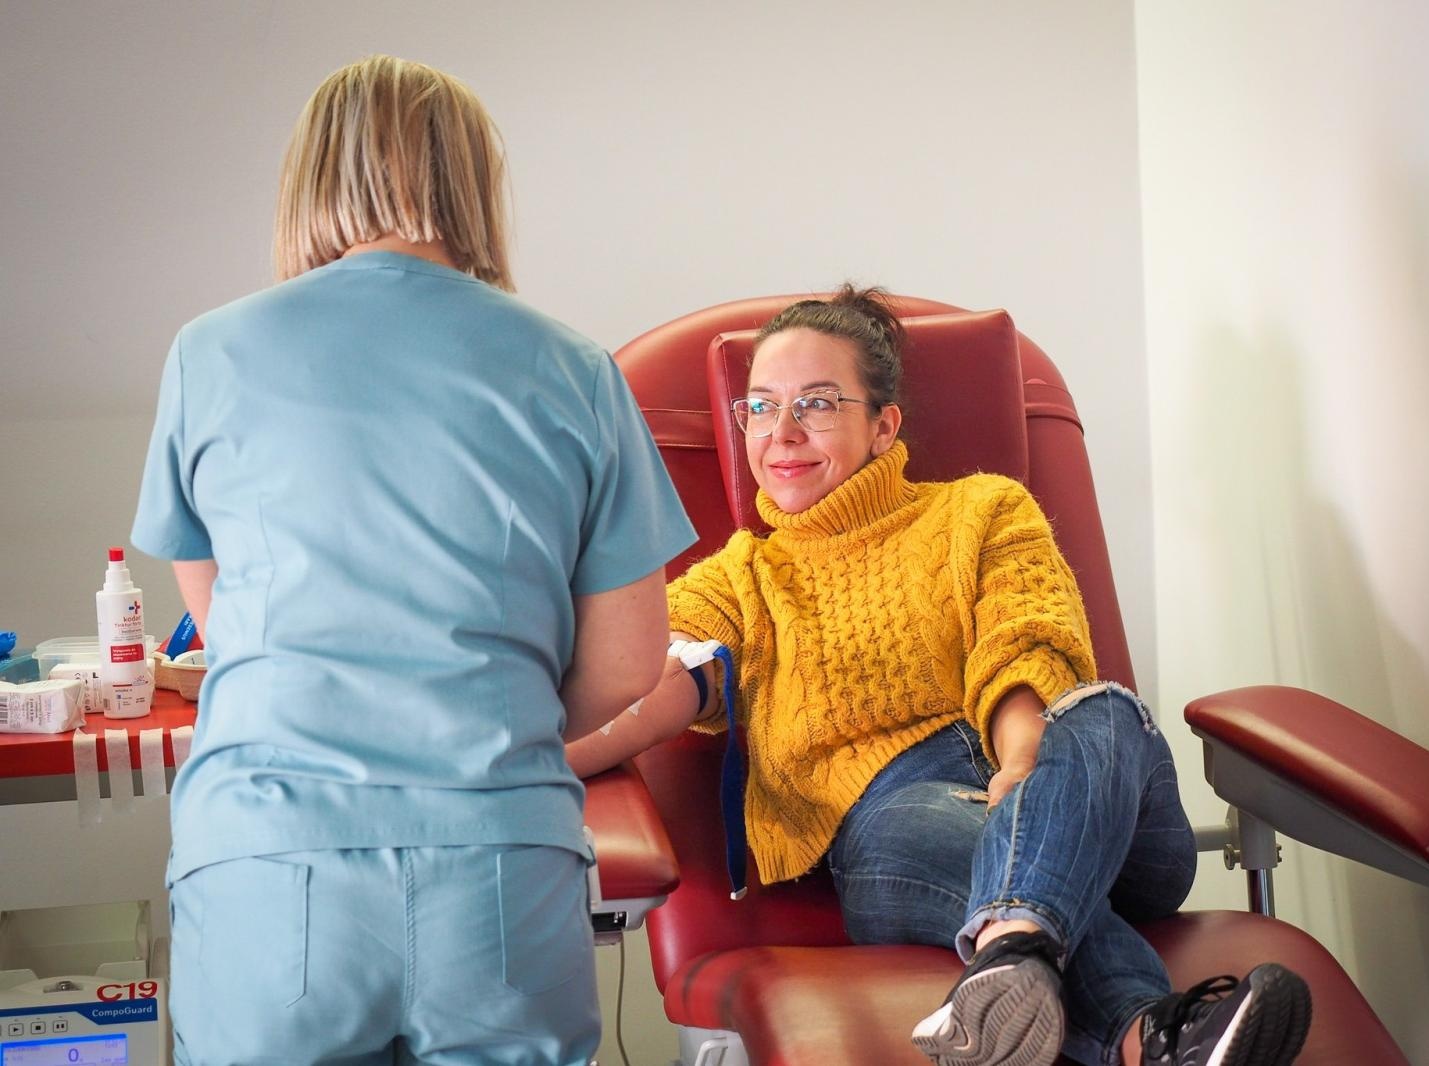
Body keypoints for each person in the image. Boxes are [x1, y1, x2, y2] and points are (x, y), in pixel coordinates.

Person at [565, 286, 1312, 1066]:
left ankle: (1016, 942)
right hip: (901, 830)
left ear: (883, 425)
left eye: (816, 403)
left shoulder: (984, 511)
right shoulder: (739, 582)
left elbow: (1029, 651)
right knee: (952, 840)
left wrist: (1023, 774)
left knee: (1104, 711)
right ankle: (1144, 1031)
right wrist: (520, 756)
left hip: (1081, 803)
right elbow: (638, 688)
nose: (781, 432)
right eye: (760, 406)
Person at [132, 56, 696, 1065]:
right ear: (473, 179)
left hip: (271, 861)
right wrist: (492, 720)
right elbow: (627, 661)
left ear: (309, 177)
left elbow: (224, 622)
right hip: (498, 867)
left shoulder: (208, 353)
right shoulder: (574, 367)